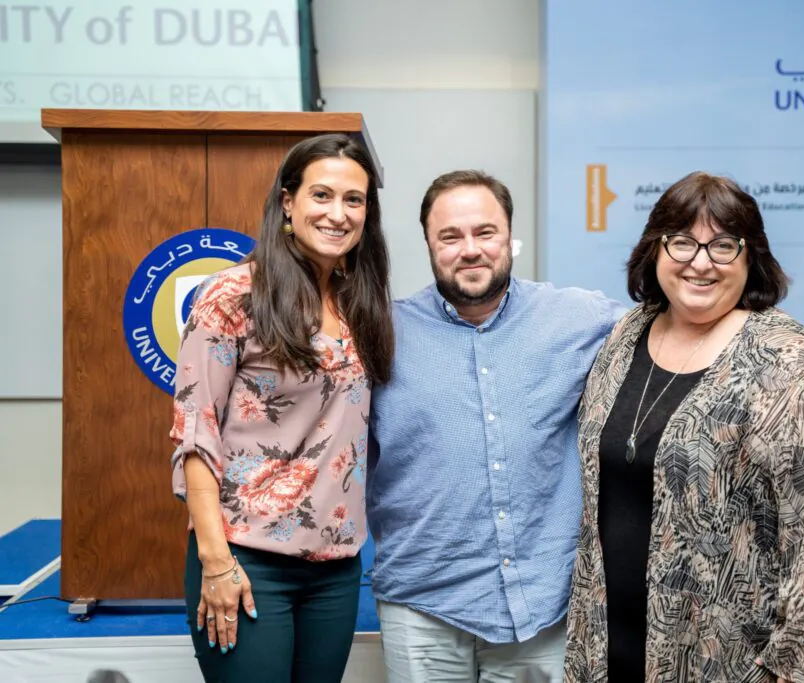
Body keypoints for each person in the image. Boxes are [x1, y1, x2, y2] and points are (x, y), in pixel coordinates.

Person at [563, 172, 804, 683]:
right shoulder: (626, 336)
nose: (700, 261)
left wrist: (797, 669)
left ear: (750, 257)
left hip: (740, 663)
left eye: (723, 245)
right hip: (616, 649)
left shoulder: (789, 361)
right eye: (683, 242)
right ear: (655, 249)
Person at [367, 170, 629, 683]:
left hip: (544, 606)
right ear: (427, 243)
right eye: (451, 236)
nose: (470, 250)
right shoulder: (379, 333)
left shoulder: (580, 318)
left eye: (485, 232)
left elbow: (676, 334)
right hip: (424, 604)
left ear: (509, 236)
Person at [168, 133, 394, 682]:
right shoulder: (234, 295)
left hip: (337, 566)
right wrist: (215, 560)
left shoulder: (360, 300)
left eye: (354, 200)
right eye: (322, 195)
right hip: (248, 559)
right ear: (288, 202)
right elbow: (196, 433)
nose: (338, 213)